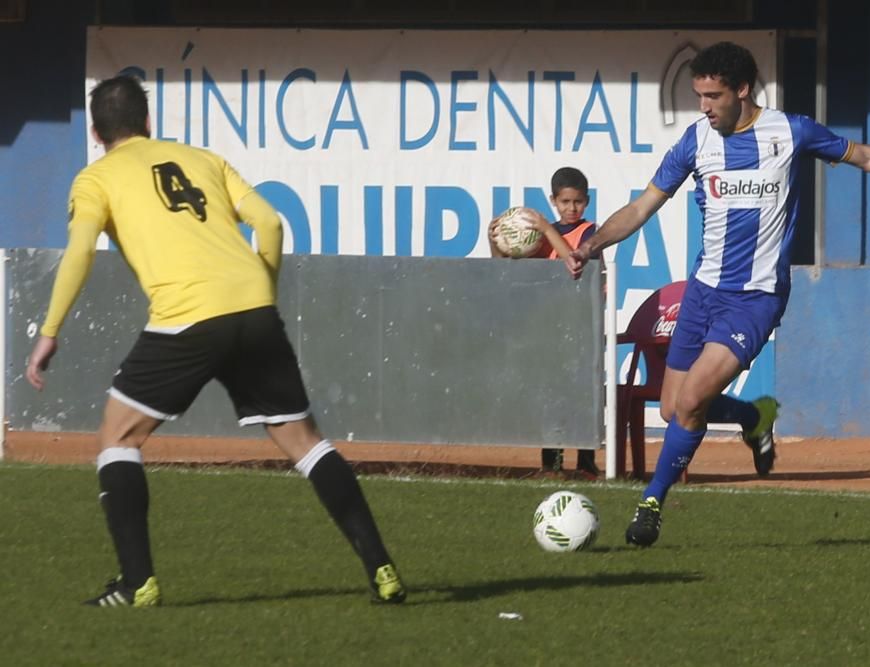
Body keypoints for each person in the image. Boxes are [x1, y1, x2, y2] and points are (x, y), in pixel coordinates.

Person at [565, 41, 870, 547]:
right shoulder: (696, 143)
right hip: (703, 292)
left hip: (756, 298)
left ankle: (651, 503)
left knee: (694, 399)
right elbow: (640, 209)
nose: (704, 106)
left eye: (714, 95)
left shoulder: (791, 132)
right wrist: (589, 246)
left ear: (742, 90)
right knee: (674, 411)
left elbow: (867, 155)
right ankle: (751, 415)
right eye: (699, 95)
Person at [25, 75, 406, 606]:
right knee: (305, 442)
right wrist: (262, 300)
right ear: (148, 122)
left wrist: (49, 332)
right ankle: (382, 567)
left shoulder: (96, 178)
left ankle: (137, 584)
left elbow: (81, 251)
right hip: (253, 307)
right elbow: (269, 223)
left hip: (187, 314)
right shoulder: (202, 158)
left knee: (118, 436)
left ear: (95, 131)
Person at [488, 167, 601, 478]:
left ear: (587, 201)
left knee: (581, 393)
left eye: (578, 202)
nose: (571, 208)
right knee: (551, 394)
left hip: (581, 323)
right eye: (565, 201)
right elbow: (506, 271)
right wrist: (495, 240)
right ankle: (551, 462)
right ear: (554, 200)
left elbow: (575, 263)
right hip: (548, 324)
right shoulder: (536, 236)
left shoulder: (590, 233)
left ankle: (586, 461)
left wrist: (547, 230)